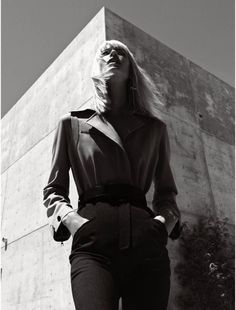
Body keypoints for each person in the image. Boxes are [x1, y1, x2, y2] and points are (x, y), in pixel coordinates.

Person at [43, 40, 181, 310]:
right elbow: (53, 190)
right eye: (106, 51)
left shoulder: (155, 129)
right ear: (97, 65)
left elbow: (167, 192)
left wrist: (162, 225)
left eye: (122, 53)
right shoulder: (71, 125)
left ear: (131, 70)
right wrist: (72, 221)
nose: (114, 55)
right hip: (93, 242)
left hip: (147, 243)